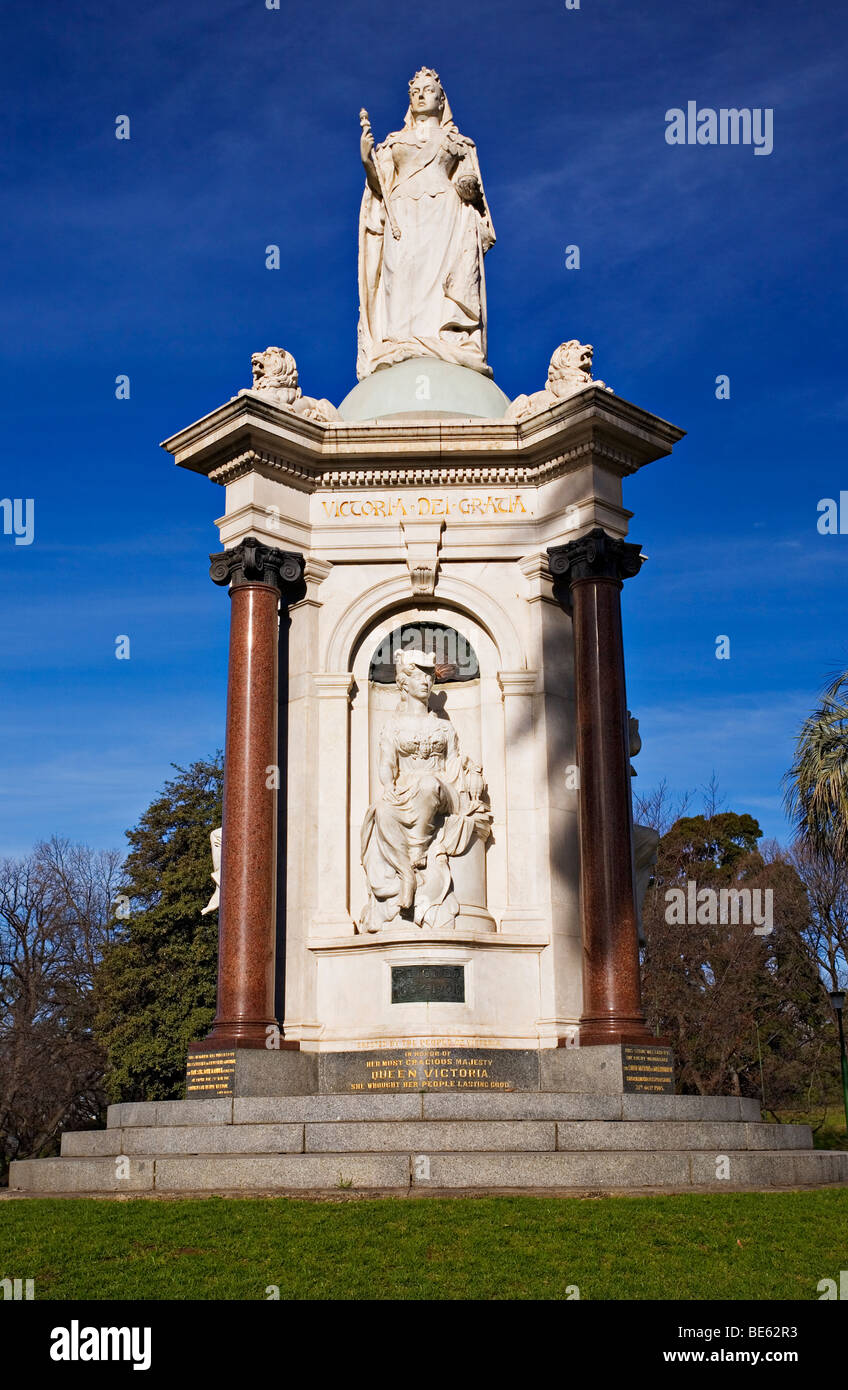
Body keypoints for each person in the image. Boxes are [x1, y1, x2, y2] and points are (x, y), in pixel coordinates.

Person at [357, 67, 495, 380]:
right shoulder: (395, 142)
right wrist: (368, 159)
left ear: (441, 98)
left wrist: (469, 186)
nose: (421, 95)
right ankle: (400, 342)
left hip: (445, 213)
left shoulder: (459, 143)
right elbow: (380, 187)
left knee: (441, 276)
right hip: (402, 212)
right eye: (415, 91)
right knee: (400, 272)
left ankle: (446, 338)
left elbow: (473, 190)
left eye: (428, 90)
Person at [359, 648, 491, 933]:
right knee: (381, 810)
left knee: (428, 784)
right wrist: (389, 787)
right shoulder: (392, 727)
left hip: (442, 788)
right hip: (406, 789)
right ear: (403, 682)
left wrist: (475, 774)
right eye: (419, 675)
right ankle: (406, 874)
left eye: (429, 676)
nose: (426, 681)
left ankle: (416, 853)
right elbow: (386, 765)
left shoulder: (444, 727)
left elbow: (457, 761)